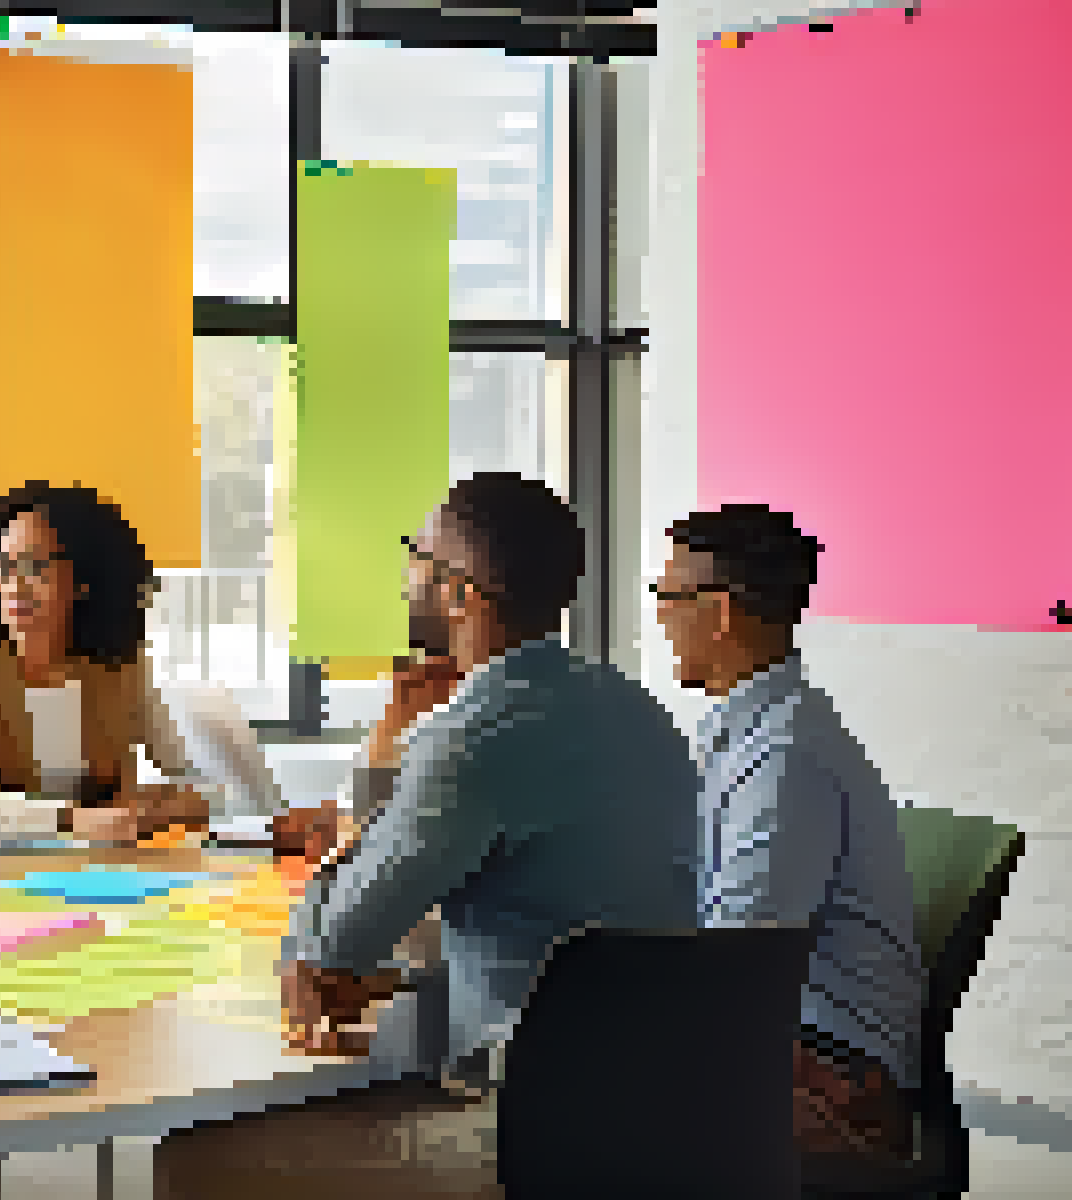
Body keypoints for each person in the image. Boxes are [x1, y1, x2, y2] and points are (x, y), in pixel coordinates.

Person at [154, 473, 701, 1199]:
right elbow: (560, 921)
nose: (407, 573)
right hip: (683, 1113)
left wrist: (386, 755)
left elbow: (335, 937)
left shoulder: (467, 739)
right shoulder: (643, 714)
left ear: (458, 592)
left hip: (534, 1135)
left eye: (416, 554)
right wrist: (396, 974)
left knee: (196, 1159)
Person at [656, 503, 923, 1169]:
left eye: (666, 597)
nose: (660, 617)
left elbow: (738, 961)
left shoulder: (784, 757)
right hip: (782, 1034)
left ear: (718, 613)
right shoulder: (747, 732)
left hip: (828, 1068)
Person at [0, 482, 212, 844]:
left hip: (114, 868)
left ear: (83, 579)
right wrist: (77, 820)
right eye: (3, 567)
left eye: (34, 567)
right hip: (2, 870)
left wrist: (170, 802)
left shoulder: (120, 660)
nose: (15, 586)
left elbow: (188, 773)